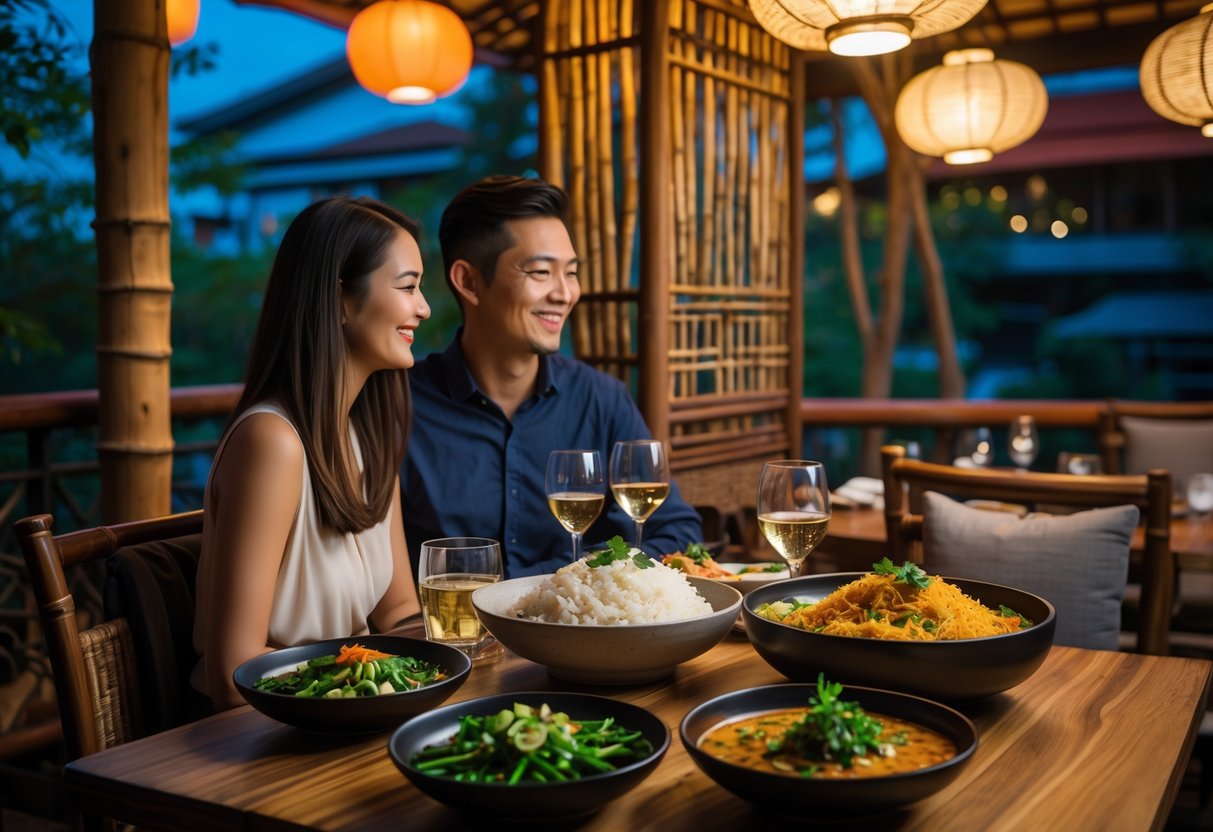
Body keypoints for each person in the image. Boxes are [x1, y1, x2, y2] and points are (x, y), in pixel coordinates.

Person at [193, 196, 431, 710]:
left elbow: (398, 613)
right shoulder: (272, 443)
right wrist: (363, 676)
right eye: (408, 287)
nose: (424, 307)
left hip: (355, 712)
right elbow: (233, 673)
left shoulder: (368, 438)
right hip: (265, 732)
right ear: (340, 298)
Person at [402, 175, 702, 577]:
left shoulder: (601, 398)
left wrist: (561, 580)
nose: (564, 294)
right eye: (541, 273)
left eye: (571, 273)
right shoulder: (401, 405)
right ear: (469, 281)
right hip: (450, 637)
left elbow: (676, 530)